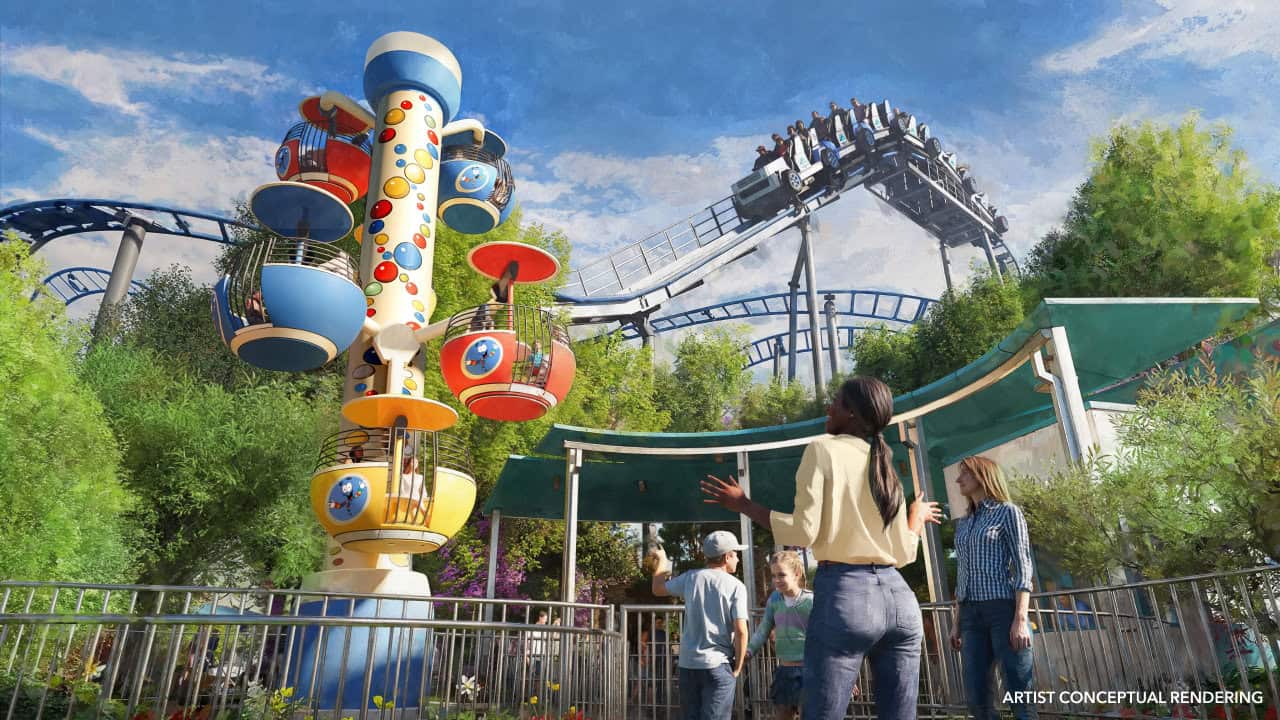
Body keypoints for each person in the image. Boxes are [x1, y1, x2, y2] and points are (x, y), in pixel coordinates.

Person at [702, 377, 942, 720]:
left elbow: (804, 530)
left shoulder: (822, 450)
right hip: (900, 601)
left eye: (836, 403)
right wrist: (914, 521)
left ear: (852, 414)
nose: (828, 408)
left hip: (847, 595)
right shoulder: (884, 465)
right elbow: (904, 553)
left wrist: (745, 505)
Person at [948, 456, 1038, 720]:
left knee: (1019, 694)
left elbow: (1024, 566)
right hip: (970, 616)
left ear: (982, 476)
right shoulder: (963, 524)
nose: (958, 479)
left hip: (1002, 610)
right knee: (977, 699)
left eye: (965, 473)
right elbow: (962, 574)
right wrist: (957, 622)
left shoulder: (1007, 512)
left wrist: (1020, 619)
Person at [649, 531, 750, 720]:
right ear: (727, 556)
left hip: (688, 665)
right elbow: (741, 631)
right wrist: (737, 666)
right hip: (718, 664)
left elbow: (658, 589)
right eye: (736, 554)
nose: (737, 559)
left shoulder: (691, 578)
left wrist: (661, 562)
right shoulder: (736, 586)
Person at [747, 551, 813, 720]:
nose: (776, 580)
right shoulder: (774, 600)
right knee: (782, 715)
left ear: (796, 574)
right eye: (773, 575)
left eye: (781, 575)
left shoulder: (812, 601)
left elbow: (827, 638)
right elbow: (763, 630)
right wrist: (748, 651)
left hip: (810, 671)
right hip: (785, 671)